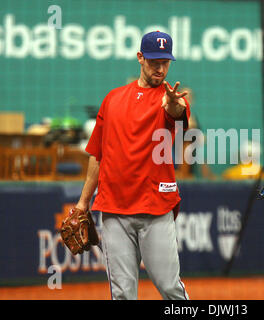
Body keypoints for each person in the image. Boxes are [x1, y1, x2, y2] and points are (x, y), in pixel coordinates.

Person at [74, 31, 190, 300]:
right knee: (122, 295)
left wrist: (175, 105)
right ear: (140, 58)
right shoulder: (113, 99)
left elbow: (178, 112)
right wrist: (83, 202)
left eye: (165, 62)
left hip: (156, 207)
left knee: (170, 287)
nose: (160, 68)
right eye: (153, 61)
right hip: (114, 209)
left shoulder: (169, 99)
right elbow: (97, 155)